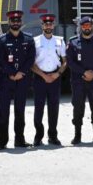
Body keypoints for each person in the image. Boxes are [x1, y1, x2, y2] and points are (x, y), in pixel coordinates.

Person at [0, 9, 36, 150]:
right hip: (6, 80)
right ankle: (2, 142)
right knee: (3, 112)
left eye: (18, 20)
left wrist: (21, 72)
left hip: (22, 80)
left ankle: (19, 139)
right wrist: (12, 73)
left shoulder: (28, 40)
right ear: (9, 22)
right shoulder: (1, 41)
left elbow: (31, 59)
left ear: (21, 22)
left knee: (20, 111)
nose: (16, 23)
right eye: (13, 21)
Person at [66, 16, 93, 144]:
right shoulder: (73, 42)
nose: (87, 28)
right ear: (80, 27)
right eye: (84, 26)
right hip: (78, 80)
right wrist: (84, 72)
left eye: (89, 26)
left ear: (92, 27)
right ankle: (77, 135)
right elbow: (70, 62)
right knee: (78, 107)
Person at [31, 13, 67, 146]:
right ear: (42, 25)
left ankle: (53, 136)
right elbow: (32, 63)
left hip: (55, 77)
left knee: (53, 108)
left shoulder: (59, 41)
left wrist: (57, 74)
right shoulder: (35, 41)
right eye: (45, 24)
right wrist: (43, 75)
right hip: (40, 78)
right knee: (38, 108)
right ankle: (38, 136)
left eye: (50, 24)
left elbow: (64, 61)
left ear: (53, 25)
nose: (48, 26)